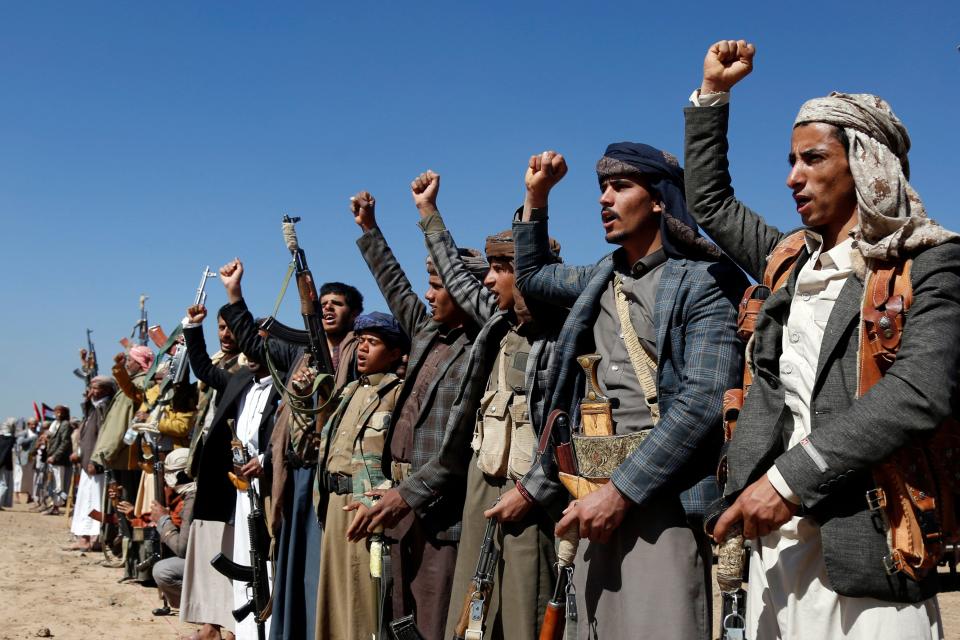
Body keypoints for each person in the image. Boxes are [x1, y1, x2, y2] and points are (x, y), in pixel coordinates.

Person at [685, 39, 960, 640]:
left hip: (871, 543)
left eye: (812, 159)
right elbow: (709, 202)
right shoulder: (788, 260)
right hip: (774, 547)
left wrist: (789, 480)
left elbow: (919, 390)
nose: (792, 178)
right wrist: (714, 96)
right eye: (790, 160)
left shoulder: (929, 263)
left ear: (864, 162)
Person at [513, 146, 745, 639]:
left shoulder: (704, 281)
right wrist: (537, 196)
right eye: (602, 187)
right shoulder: (599, 277)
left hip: (664, 497)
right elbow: (530, 277)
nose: (604, 198)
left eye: (621, 187)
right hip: (589, 489)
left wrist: (622, 492)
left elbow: (704, 401)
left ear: (659, 200)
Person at [401, 170, 564, 640]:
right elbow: (453, 271)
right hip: (482, 484)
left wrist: (535, 490)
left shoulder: (563, 337)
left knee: (524, 615)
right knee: (471, 612)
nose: (489, 279)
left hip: (531, 497)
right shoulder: (497, 324)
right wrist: (428, 212)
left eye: (501, 267)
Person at [348, 190, 486, 639]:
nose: (427, 295)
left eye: (439, 286)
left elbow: (457, 450)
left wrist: (407, 494)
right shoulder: (428, 333)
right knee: (395, 620)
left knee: (430, 624)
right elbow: (395, 285)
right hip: (398, 506)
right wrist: (370, 229)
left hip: (439, 519)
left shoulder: (480, 350)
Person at [217, 258, 363, 640]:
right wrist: (235, 293)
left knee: (317, 569)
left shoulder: (359, 357)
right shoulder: (302, 352)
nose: (329, 308)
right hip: (291, 473)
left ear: (355, 313)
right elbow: (253, 344)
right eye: (324, 302)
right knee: (288, 566)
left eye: (338, 303)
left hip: (327, 481)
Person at [185, 302, 281, 640]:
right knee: (242, 557)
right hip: (239, 489)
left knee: (266, 563)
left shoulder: (283, 388)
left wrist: (266, 460)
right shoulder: (241, 380)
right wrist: (193, 328)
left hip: (271, 488)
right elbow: (204, 370)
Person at [314, 312, 408, 640]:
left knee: (362, 607)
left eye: (374, 342)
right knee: (335, 603)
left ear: (396, 353)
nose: (363, 349)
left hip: (366, 510)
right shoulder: (350, 390)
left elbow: (400, 462)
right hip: (334, 505)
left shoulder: (398, 394)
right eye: (360, 342)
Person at [180, 309, 243, 640]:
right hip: (212, 465)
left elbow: (202, 367)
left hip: (239, 469)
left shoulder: (249, 370)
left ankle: (229, 625)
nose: (227, 333)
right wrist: (192, 329)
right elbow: (201, 369)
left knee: (235, 547)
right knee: (208, 544)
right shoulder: (229, 370)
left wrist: (194, 329)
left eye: (233, 327)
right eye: (221, 327)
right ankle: (210, 622)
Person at [68, 376, 117, 550]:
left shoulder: (106, 407)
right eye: (91, 387)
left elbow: (103, 437)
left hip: (97, 466)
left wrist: (96, 461)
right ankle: (84, 538)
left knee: (96, 502)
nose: (91, 391)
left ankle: (97, 539)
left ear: (106, 390)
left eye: (96, 388)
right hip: (87, 463)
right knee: (84, 501)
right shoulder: (94, 408)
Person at [150, 447, 197, 612]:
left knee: (162, 570)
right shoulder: (191, 494)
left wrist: (163, 520)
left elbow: (182, 548)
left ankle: (200, 609)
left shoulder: (192, 497)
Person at [44, 405, 73, 514]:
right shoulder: (55, 424)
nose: (58, 414)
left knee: (59, 484)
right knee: (52, 483)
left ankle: (56, 506)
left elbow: (65, 442)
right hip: (52, 458)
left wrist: (55, 456)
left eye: (60, 412)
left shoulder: (65, 425)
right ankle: (52, 504)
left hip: (59, 460)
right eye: (56, 412)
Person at [0, 418, 15, 509]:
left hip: (3, 463)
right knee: (3, 485)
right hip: (4, 464)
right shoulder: (10, 439)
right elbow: (5, 453)